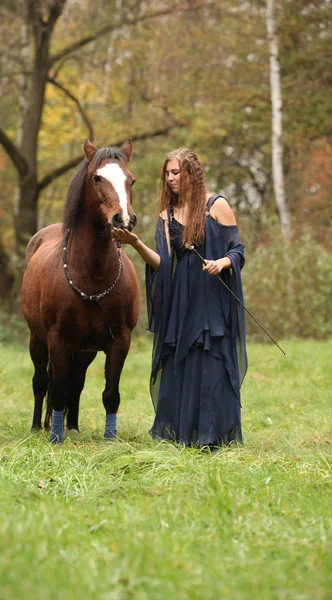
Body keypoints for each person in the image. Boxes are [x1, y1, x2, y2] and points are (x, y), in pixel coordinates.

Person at [113, 148, 248, 447]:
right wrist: (135, 243)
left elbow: (237, 251)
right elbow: (163, 262)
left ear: (191, 173)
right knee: (181, 362)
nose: (171, 178)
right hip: (181, 300)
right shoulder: (166, 215)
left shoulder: (217, 205)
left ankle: (215, 435)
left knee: (211, 361)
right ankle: (183, 434)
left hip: (212, 295)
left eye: (176, 172)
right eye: (167, 173)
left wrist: (222, 262)